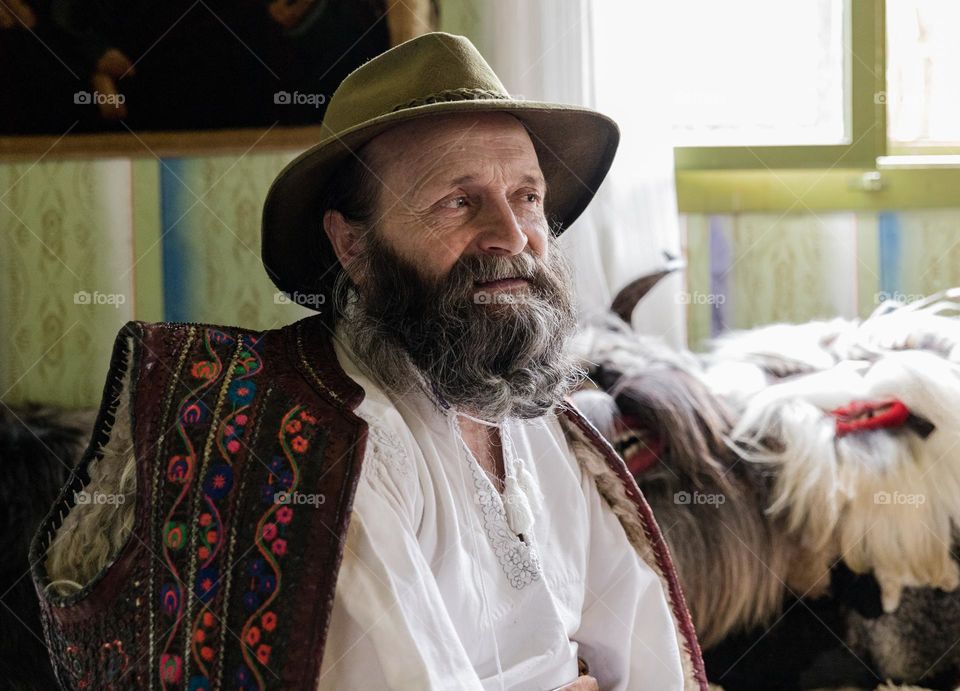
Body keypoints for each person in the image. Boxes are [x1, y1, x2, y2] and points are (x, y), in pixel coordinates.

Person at [31, 32, 707, 690]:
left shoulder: (532, 412)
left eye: (527, 196)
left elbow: (647, 650)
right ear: (351, 243)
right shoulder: (333, 450)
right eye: (457, 201)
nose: (512, 235)